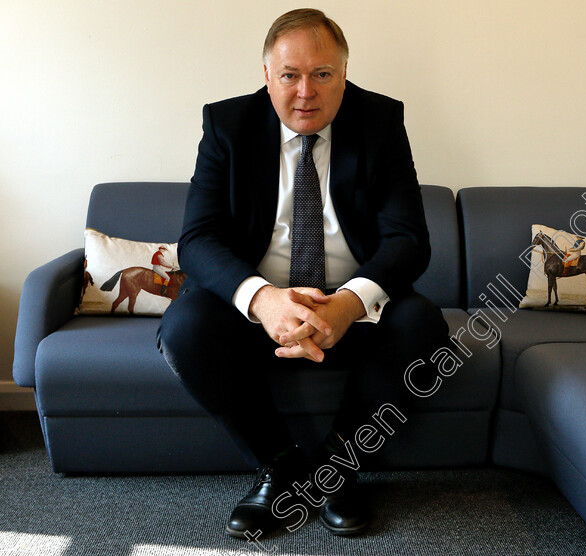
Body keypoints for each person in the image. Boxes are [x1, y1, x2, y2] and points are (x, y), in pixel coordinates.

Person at [157, 8, 448, 540]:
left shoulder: (381, 122)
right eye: (290, 75)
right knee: (185, 326)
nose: (305, 92)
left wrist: (348, 303)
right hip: (258, 310)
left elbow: (409, 240)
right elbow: (197, 240)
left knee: (424, 324)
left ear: (344, 73)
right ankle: (281, 468)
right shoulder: (227, 126)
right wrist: (265, 300)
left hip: (352, 310)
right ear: (267, 76)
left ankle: (338, 468)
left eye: (323, 74)